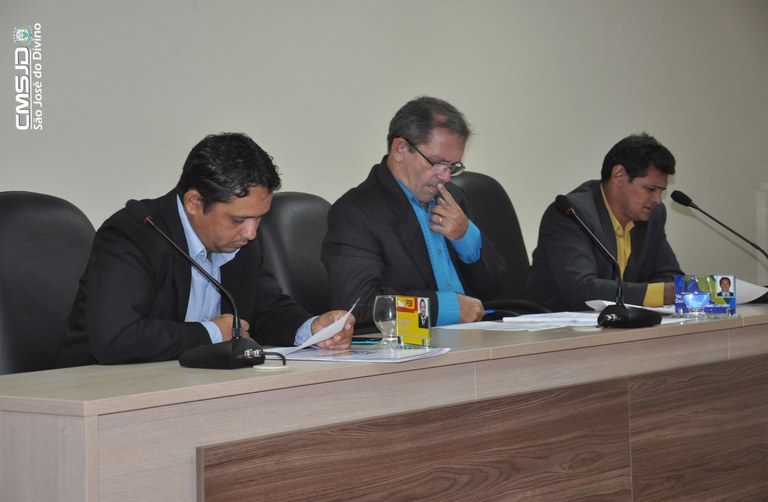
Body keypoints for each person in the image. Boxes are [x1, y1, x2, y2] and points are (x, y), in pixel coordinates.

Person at [57, 133, 354, 367]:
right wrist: (212, 333)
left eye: (259, 219)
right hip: (96, 393)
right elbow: (116, 338)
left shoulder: (240, 240)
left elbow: (264, 311)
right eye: (238, 220)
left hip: (188, 388)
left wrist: (311, 328)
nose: (251, 233)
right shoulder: (133, 234)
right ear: (194, 202)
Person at [322, 96, 506, 330]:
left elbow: (495, 288)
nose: (445, 176)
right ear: (400, 149)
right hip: (411, 344)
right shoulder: (355, 212)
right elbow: (359, 306)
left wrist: (465, 235)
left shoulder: (453, 198)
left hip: (475, 335)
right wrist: (446, 308)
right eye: (437, 163)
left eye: (452, 166)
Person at [526, 133, 683, 311]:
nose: (658, 200)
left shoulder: (653, 215)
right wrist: (659, 295)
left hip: (618, 322)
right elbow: (581, 289)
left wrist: (660, 293)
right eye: (650, 189)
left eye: (661, 191)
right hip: (556, 321)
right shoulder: (571, 213)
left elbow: (670, 276)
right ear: (618, 175)